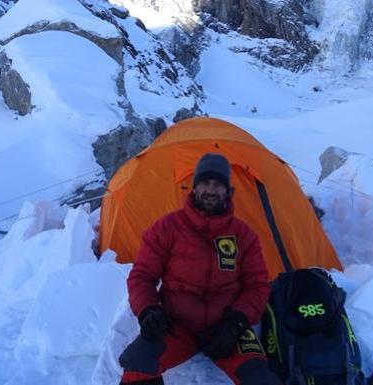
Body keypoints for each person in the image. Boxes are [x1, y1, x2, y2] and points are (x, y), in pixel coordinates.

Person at [119, 153, 281, 385]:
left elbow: (257, 285)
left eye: (218, 184)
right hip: (176, 326)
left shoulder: (244, 235)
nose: (211, 190)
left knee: (260, 377)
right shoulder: (167, 228)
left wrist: (235, 324)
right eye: (205, 183)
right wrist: (148, 311)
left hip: (227, 329)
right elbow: (142, 275)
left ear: (228, 191)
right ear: (194, 188)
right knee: (137, 365)